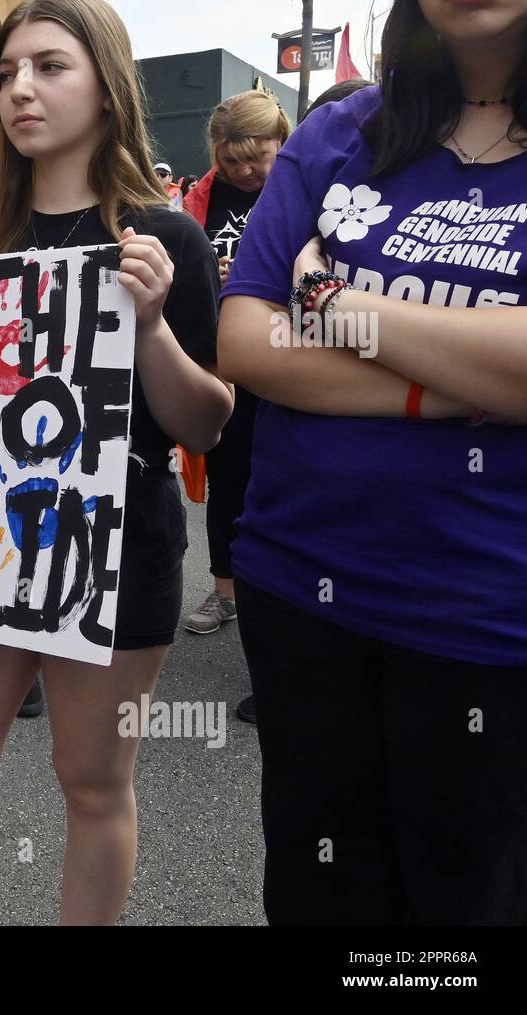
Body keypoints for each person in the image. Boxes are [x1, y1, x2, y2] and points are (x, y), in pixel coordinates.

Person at [0, 0, 232, 925]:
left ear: (107, 87)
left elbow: (206, 425)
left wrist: (149, 325)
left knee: (92, 782)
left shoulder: (166, 239)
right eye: (6, 70)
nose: (20, 88)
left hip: (118, 553)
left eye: (50, 66)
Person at [219, 0, 527, 925]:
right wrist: (451, 382)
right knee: (324, 895)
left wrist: (334, 298)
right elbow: (247, 340)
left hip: (489, 614)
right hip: (302, 587)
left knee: (467, 904)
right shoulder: (340, 130)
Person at [179, 91, 292, 727]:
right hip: (219, 361)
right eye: (232, 159)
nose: (246, 171)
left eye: (258, 157)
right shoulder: (199, 199)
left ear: (282, 141)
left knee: (278, 486)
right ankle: (225, 594)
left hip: (285, 362)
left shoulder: (303, 189)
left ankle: (282, 606)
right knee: (225, 481)